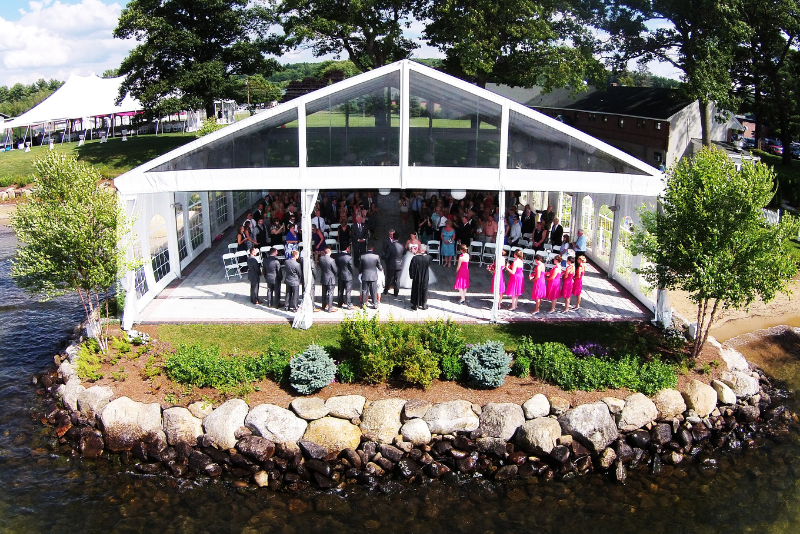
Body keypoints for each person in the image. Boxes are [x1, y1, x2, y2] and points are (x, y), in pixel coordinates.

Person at [409, 244, 432, 310]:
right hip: (425, 275)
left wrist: (412, 275)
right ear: (424, 250)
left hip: (417, 276)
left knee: (416, 289)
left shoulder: (415, 258)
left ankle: (415, 304)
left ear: (419, 249)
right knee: (424, 289)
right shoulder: (428, 258)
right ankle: (424, 304)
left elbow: (411, 268)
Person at [382, 230, 405, 296]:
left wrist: (383, 257)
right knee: (397, 279)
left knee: (389, 278)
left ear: (393, 238)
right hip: (399, 264)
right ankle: (396, 293)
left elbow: (387, 256)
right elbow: (404, 253)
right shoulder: (402, 245)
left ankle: (386, 291)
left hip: (391, 264)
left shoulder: (391, 246)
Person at [318, 246, 338, 313]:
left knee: (324, 292)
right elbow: (335, 270)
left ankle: (323, 306)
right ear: (330, 252)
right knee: (330, 293)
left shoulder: (320, 259)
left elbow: (320, 266)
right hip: (330, 278)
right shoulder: (332, 260)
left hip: (324, 277)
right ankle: (330, 307)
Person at [336, 245, 356, 309]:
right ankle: (349, 304)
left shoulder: (338, 256)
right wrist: (352, 274)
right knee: (348, 291)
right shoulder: (349, 258)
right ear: (347, 248)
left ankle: (340, 303)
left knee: (340, 290)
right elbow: (352, 268)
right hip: (348, 276)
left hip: (340, 275)